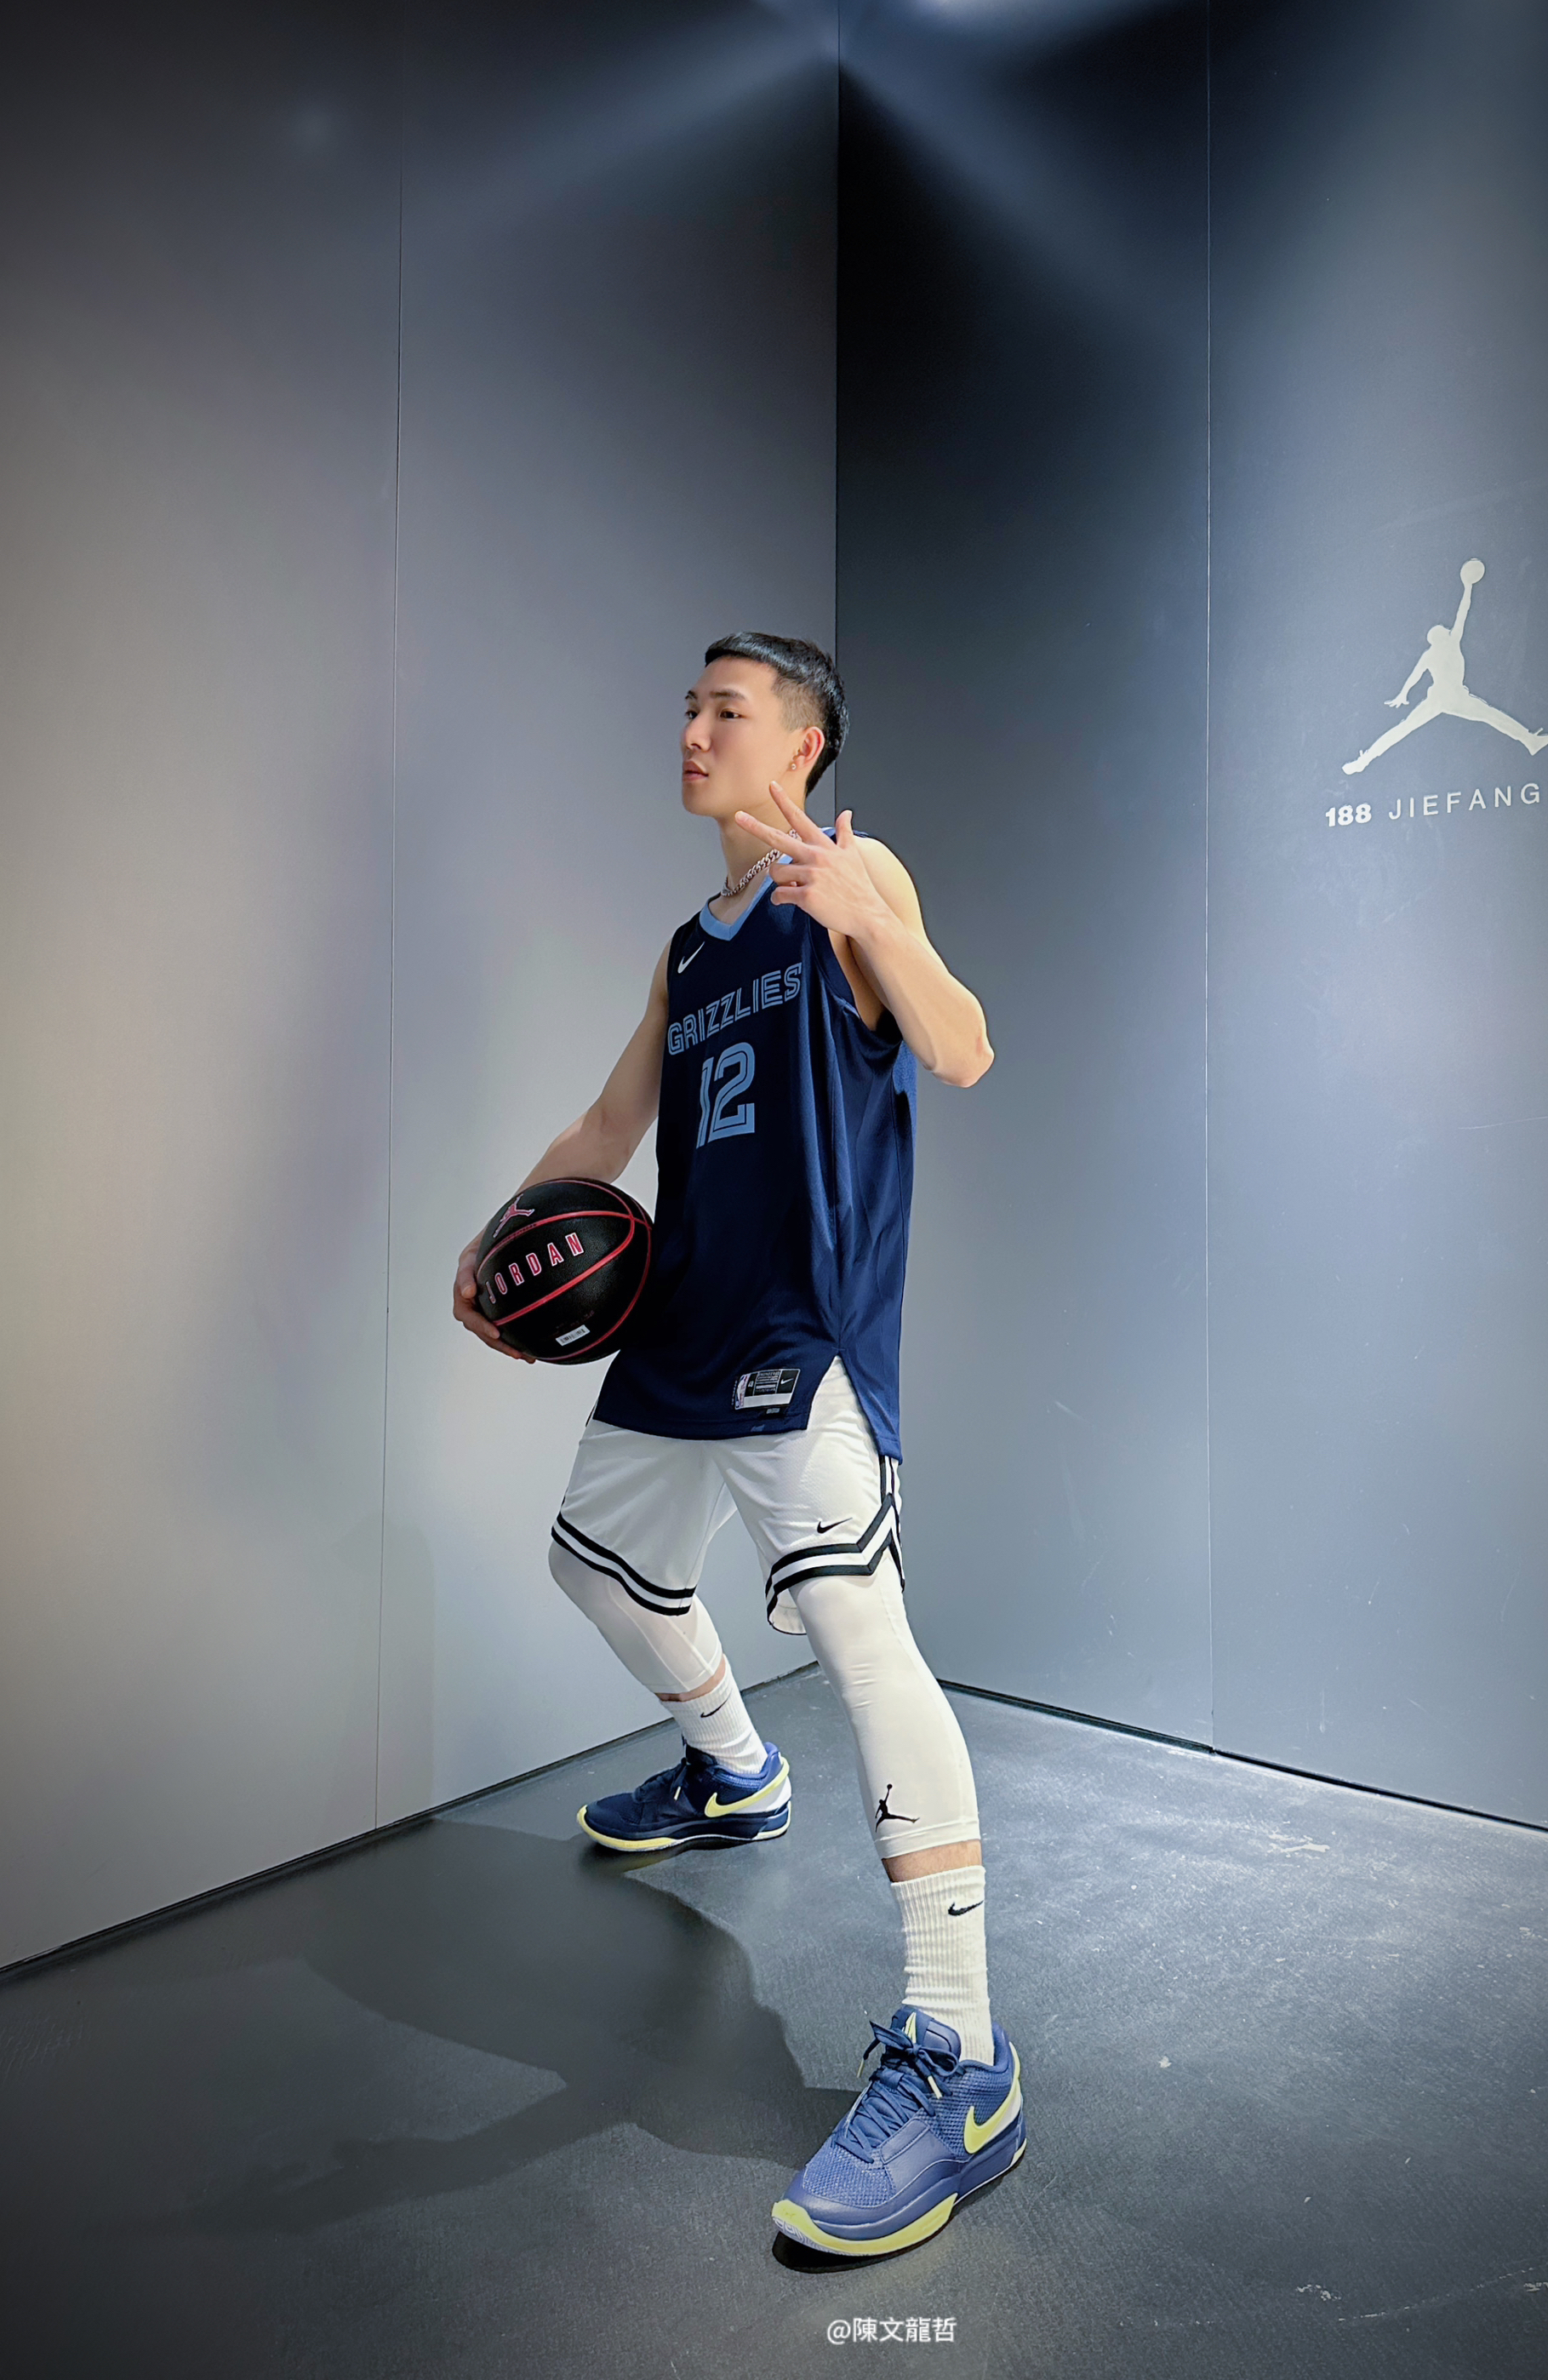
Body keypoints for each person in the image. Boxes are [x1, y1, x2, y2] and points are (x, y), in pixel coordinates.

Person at [453, 632, 1025, 2257]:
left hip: (801, 1334)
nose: (693, 730)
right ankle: (733, 1769)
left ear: (805, 744)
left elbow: (964, 1044)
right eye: (689, 707)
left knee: (860, 1637)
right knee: (598, 1569)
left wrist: (874, 925)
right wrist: (498, 1238)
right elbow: (608, 1126)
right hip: (678, 1328)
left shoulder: (849, 876)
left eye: (727, 709)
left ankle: (961, 2054)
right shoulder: (688, 950)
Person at [1343, 558, 1548, 775]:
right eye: (1445, 630)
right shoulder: (1450, 644)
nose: (1448, 629)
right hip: (1449, 697)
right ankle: (1529, 740)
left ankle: (1364, 761)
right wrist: (1467, 587)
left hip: (1445, 697)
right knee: (1490, 716)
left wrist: (1403, 694)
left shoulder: (1432, 653)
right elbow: (1462, 613)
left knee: (1404, 728)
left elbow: (1415, 677)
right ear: (1440, 636)